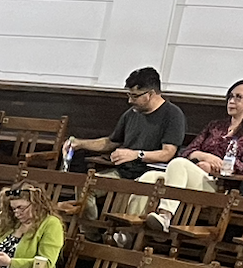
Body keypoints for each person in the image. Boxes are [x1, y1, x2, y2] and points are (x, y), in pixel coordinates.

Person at [142, 79, 243, 237]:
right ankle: (131, 228)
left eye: (239, 97)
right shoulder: (216, 126)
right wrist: (203, 156)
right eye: (230, 96)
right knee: (149, 177)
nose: (232, 101)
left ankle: (165, 216)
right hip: (195, 176)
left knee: (178, 165)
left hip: (221, 185)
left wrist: (214, 166)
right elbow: (187, 151)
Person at [66, 66, 187, 197]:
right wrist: (78, 143)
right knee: (86, 187)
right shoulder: (131, 114)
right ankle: (88, 218)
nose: (130, 101)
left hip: (151, 175)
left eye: (134, 96)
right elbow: (111, 142)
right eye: (129, 95)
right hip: (124, 172)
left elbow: (167, 153)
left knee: (126, 197)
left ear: (150, 94)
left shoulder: (173, 114)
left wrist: (137, 155)